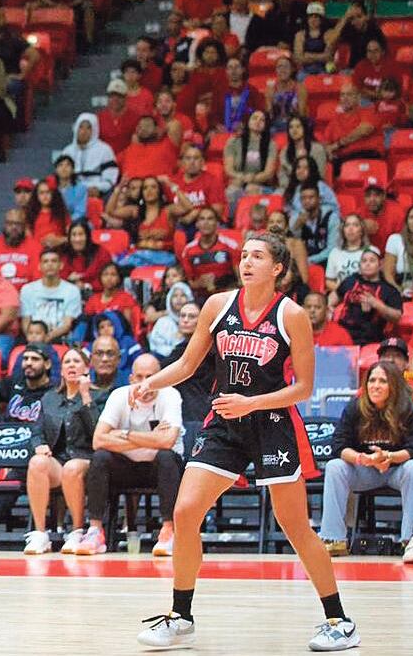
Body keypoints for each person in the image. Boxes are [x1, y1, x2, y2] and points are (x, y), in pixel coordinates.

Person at [132, 233, 359, 651]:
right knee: (184, 512)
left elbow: (304, 388)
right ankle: (181, 616)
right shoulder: (218, 306)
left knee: (294, 527)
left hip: (272, 422)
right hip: (225, 421)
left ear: (277, 268)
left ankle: (339, 620)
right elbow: (187, 363)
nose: (246, 261)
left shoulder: (291, 315)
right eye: (243, 255)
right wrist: (151, 383)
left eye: (257, 256)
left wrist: (252, 402)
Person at [77, 354, 184, 556]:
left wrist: (124, 434)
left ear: (160, 377)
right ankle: (95, 531)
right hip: (126, 467)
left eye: (150, 377)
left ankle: (169, 531)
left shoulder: (170, 395)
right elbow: (98, 440)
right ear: (131, 379)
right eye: (140, 377)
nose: (145, 383)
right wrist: (150, 438)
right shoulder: (119, 395)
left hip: (160, 469)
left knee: (166, 456)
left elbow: (167, 441)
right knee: (100, 457)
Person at [318, 361, 413, 562]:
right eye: (372, 380)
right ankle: (333, 539)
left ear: (394, 385)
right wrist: (361, 458)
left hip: (396, 471)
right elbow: (338, 446)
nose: (375, 385)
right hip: (364, 469)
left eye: (383, 381)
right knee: (334, 467)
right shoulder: (355, 408)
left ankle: (411, 541)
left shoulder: (409, 409)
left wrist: (388, 457)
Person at [23, 346, 98, 554]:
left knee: (72, 468)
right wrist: (39, 445)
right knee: (37, 463)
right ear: (62, 370)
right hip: (58, 460)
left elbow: (97, 433)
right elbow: (36, 430)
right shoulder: (49, 398)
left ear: (86, 368)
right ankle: (40, 534)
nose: (71, 365)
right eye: (67, 362)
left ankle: (76, 531)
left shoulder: (99, 395)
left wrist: (85, 396)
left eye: (76, 361)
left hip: (88, 460)